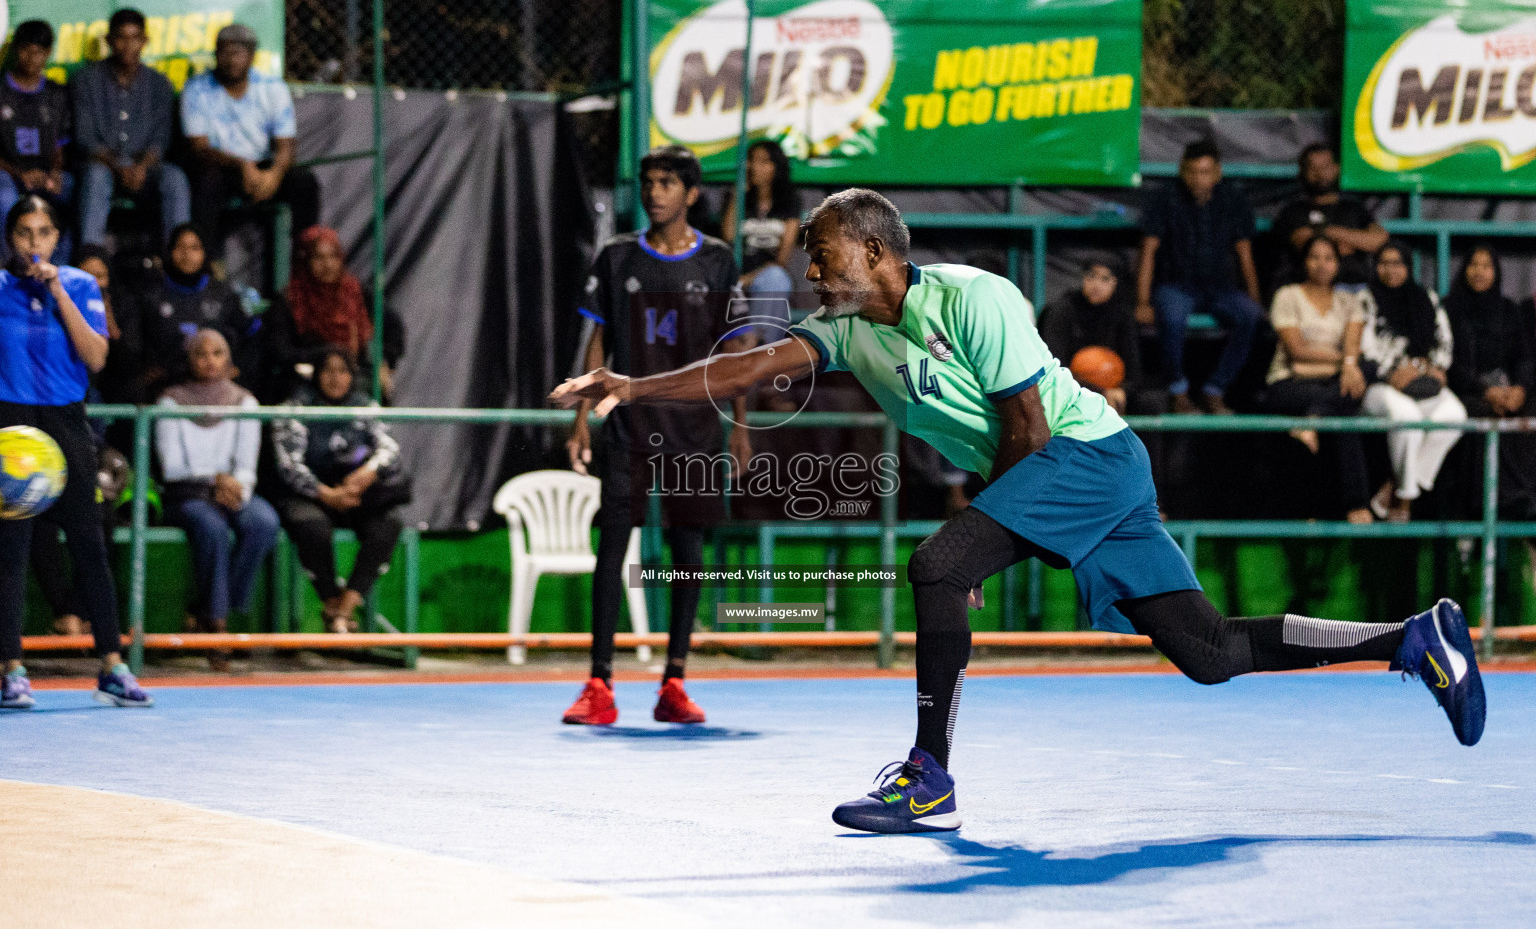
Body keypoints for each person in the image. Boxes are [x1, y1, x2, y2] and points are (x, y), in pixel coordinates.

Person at [552, 187, 1485, 834]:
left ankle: (930, 782)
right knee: (1206, 655)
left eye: (825, 259)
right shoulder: (842, 332)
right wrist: (633, 385)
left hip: (1090, 458)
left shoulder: (975, 298)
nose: (812, 277)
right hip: (1072, 481)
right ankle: (1411, 639)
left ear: (876, 252)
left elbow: (1029, 428)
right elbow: (745, 366)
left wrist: (977, 550)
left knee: (934, 566)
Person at [561, 145, 750, 727]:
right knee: (611, 549)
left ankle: (674, 681)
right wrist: (581, 419)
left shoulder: (719, 262)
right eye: (648, 181)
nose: (654, 191)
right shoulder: (616, 256)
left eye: (667, 182)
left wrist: (739, 428)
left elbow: (736, 353)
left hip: (695, 430)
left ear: (691, 194)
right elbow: (597, 345)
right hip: (628, 427)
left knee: (688, 555)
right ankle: (599, 684)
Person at [0, 194, 152, 709]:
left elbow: (96, 356)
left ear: (57, 239)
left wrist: (59, 291)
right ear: (10, 239)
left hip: (67, 422)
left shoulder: (82, 284)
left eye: (43, 233)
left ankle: (112, 665)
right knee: (11, 551)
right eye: (24, 233)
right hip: (11, 425)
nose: (34, 243)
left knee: (89, 544)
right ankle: (11, 670)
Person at [157, 329, 279, 666]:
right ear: (190, 360)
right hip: (188, 494)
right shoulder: (171, 401)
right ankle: (218, 626)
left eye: (217, 353)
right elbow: (172, 466)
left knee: (263, 522)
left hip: (232, 491)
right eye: (201, 354)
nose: (209, 361)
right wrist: (214, 480)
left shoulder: (245, 401)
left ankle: (208, 607)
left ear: (229, 358)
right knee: (209, 527)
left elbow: (246, 464)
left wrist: (235, 487)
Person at [271, 348, 406, 634]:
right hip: (309, 495)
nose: (336, 378)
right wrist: (327, 495)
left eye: (342, 371)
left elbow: (390, 447)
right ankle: (332, 604)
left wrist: (367, 473)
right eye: (328, 371)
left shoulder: (363, 405)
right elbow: (289, 466)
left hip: (353, 493)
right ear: (316, 374)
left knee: (388, 524)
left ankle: (346, 607)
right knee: (312, 528)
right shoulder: (294, 408)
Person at [1135, 138, 1263, 415]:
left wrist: (1255, 298)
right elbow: (1148, 251)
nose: (1198, 178)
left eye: (1205, 171)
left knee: (1251, 315)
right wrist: (1143, 301)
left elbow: (1244, 253)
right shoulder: (1164, 198)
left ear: (1217, 173)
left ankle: (1215, 391)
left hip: (1220, 288)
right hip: (1176, 285)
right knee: (1170, 316)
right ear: (1183, 171)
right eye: (1192, 171)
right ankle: (1178, 392)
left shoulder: (1233, 200)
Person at [182, 23, 319, 254]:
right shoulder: (197, 88)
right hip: (221, 166)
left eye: (239, 53)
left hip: (263, 169)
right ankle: (209, 264)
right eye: (225, 52)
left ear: (252, 56)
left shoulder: (273, 88)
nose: (232, 60)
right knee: (206, 182)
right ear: (216, 55)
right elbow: (199, 148)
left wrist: (275, 174)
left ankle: (304, 260)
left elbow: (286, 146)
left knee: (303, 182)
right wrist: (241, 165)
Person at [1262, 235, 1371, 523]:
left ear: (1338, 264)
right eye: (1315, 257)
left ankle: (1312, 422)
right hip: (1288, 383)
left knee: (1364, 374)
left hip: (1329, 384)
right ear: (1304, 261)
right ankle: (1355, 504)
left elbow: (1355, 348)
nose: (1322, 264)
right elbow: (1296, 354)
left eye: (1329, 258)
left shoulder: (1350, 301)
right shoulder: (1288, 295)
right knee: (1344, 402)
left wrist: (1350, 363)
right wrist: (1345, 363)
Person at [1359, 242, 1464, 523]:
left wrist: (1434, 367)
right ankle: (1404, 502)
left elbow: (1444, 341)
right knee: (1407, 417)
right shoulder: (1366, 299)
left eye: (1397, 263)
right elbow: (1364, 348)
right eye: (1384, 263)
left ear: (1408, 267)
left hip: (1422, 380)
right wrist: (1391, 372)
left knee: (1454, 416)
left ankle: (1394, 489)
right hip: (1380, 385)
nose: (1390, 269)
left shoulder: (1425, 298)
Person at [71, 8, 191, 249]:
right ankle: (90, 259)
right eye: (121, 37)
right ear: (109, 41)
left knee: (174, 178)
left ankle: (178, 261)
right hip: (103, 167)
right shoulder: (86, 80)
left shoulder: (159, 84)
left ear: (144, 41)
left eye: (135, 37)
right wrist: (119, 168)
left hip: (144, 169)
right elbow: (85, 139)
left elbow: (161, 138)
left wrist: (142, 167)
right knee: (95, 177)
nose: (128, 45)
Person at [1445, 245, 1536, 519]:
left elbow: (1524, 357)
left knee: (1530, 410)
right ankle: (1505, 499)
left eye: (1487, 266)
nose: (1480, 272)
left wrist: (1519, 388)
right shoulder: (1449, 308)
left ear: (1496, 272)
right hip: (1467, 391)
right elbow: (1449, 364)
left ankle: (1529, 496)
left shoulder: (1508, 309)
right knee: (1482, 414)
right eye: (1474, 264)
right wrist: (1486, 392)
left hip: (1507, 391)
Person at [268, 225, 402, 400]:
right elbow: (281, 351)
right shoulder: (290, 299)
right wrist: (325, 355)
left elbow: (393, 327)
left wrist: (384, 362)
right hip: (306, 381)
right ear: (305, 260)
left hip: (353, 380)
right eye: (318, 257)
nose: (328, 265)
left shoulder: (355, 292)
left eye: (333, 256)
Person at [132, 224, 258, 398]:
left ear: (204, 252)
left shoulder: (222, 293)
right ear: (170, 251)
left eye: (194, 248)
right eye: (180, 247)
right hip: (165, 387)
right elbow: (134, 342)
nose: (187, 254)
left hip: (217, 385)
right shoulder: (151, 295)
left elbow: (254, 334)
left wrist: (238, 367)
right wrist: (145, 368)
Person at [1272, 143, 1388, 292]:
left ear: (1336, 168)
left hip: (1356, 287)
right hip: (1309, 289)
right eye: (1313, 168)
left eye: (1325, 167)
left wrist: (1325, 232)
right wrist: (1353, 242)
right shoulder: (1293, 211)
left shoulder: (1355, 208)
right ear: (1303, 172)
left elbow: (1377, 240)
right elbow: (1304, 242)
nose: (1320, 173)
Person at [0, 20, 72, 257]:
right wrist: (19, 174)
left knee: (75, 190)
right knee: (5, 195)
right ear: (15, 50)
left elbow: (59, 146)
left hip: (43, 174)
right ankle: (13, 269)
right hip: (7, 174)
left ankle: (58, 270)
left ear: (48, 53)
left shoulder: (56, 94)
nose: (32, 58)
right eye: (26, 50)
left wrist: (54, 173)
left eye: (39, 52)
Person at [1038, 258, 1143, 415]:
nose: (1096, 284)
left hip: (1113, 392)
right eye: (1091, 276)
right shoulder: (1061, 310)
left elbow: (1134, 370)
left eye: (1105, 278)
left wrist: (1122, 391)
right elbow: (1055, 367)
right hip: (1070, 389)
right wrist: (1099, 392)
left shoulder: (1123, 314)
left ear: (1115, 283)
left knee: (1146, 403)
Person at [720, 139, 799, 344]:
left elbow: (782, 258)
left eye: (764, 162)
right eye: (752, 161)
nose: (755, 166)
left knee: (776, 279)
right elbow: (728, 236)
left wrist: (750, 278)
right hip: (736, 272)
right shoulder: (737, 197)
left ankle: (758, 347)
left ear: (776, 166)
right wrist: (738, 194)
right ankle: (757, 351)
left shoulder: (789, 199)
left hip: (766, 274)